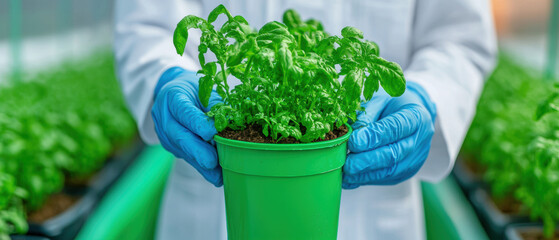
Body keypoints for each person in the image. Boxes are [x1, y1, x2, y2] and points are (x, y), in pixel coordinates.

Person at [114, 0, 496, 239]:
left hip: (372, 213)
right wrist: (164, 75)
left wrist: (429, 94)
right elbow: (146, 23)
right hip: (213, 189)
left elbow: (459, 36)